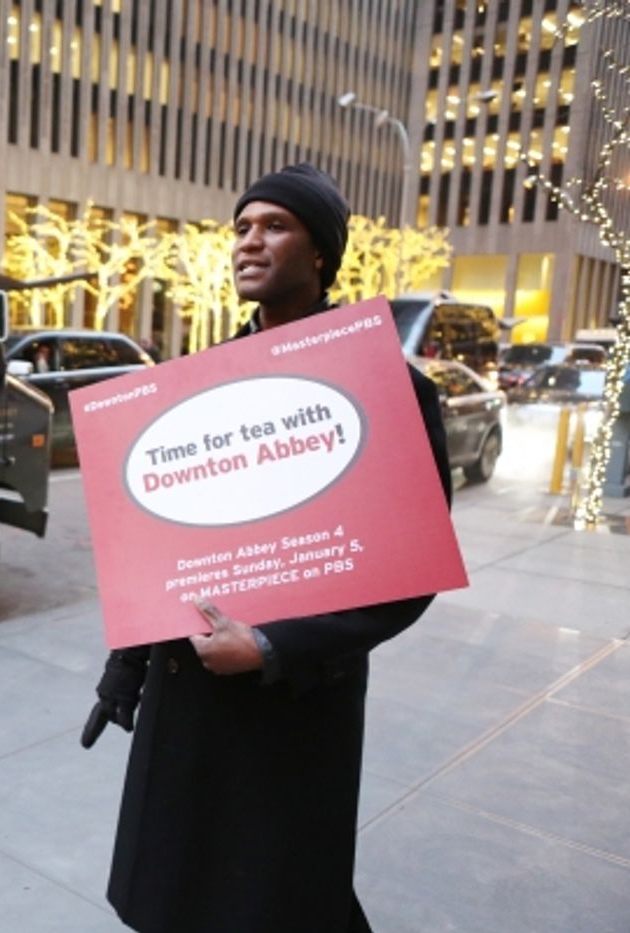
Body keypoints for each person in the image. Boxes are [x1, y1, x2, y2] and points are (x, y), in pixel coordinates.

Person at [83, 164, 452, 933]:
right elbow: (162, 551)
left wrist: (274, 645)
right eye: (242, 227)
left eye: (274, 225)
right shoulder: (194, 384)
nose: (250, 241)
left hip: (294, 705)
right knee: (177, 890)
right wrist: (126, 669)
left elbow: (407, 575)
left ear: (321, 252)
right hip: (188, 699)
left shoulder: (389, 384)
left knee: (278, 897)